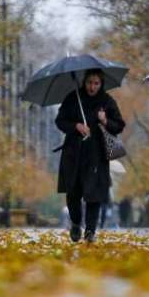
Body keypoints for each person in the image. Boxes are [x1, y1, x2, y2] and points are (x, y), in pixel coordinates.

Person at [56, 69, 126, 243]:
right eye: (89, 82)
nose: (92, 87)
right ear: (84, 82)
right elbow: (60, 121)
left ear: (101, 84)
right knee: (73, 193)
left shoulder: (107, 101)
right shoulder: (73, 98)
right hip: (73, 153)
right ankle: (75, 222)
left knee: (94, 194)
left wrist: (105, 121)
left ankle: (90, 230)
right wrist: (76, 126)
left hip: (96, 154)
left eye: (96, 83)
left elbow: (118, 125)